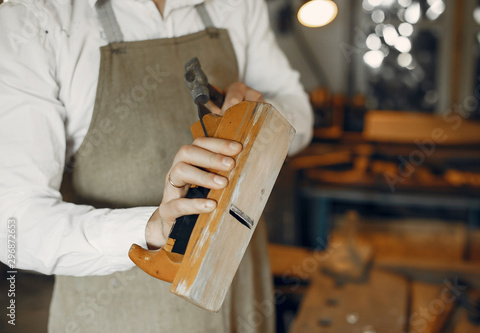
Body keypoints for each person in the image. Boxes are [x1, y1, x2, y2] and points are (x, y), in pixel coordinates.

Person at [0, 0, 313, 332]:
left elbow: (300, 115)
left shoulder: (237, 5)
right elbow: (14, 225)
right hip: (118, 312)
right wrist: (151, 229)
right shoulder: (38, 18)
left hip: (240, 293)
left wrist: (257, 120)